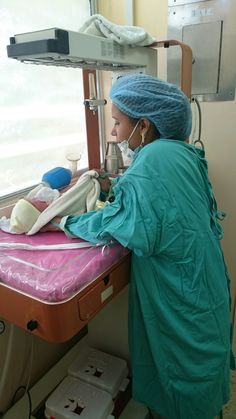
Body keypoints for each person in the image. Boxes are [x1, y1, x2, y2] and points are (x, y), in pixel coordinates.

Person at [46, 74, 233, 419]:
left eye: (117, 122)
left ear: (143, 125)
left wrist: (61, 221)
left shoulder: (149, 165)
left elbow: (118, 225)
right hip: (205, 286)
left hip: (182, 296)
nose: (114, 132)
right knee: (201, 376)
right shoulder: (181, 151)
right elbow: (157, 209)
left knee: (180, 384)